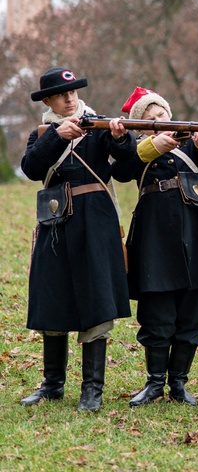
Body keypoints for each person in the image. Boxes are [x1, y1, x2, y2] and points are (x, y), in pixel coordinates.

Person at [112, 87, 198, 407]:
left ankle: (179, 384)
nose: (161, 119)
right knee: (157, 311)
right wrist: (153, 146)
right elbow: (122, 168)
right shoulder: (135, 146)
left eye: (163, 113)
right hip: (155, 230)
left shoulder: (189, 136)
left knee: (194, 312)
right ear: (141, 125)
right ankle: (155, 383)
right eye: (152, 117)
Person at [20, 67, 136, 412]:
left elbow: (127, 170)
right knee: (52, 299)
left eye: (72, 92)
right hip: (55, 221)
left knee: (96, 299)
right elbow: (31, 168)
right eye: (61, 94)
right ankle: (53, 385)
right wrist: (58, 136)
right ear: (48, 100)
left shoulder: (99, 126)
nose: (69, 99)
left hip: (96, 222)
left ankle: (92, 389)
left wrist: (120, 140)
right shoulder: (43, 133)